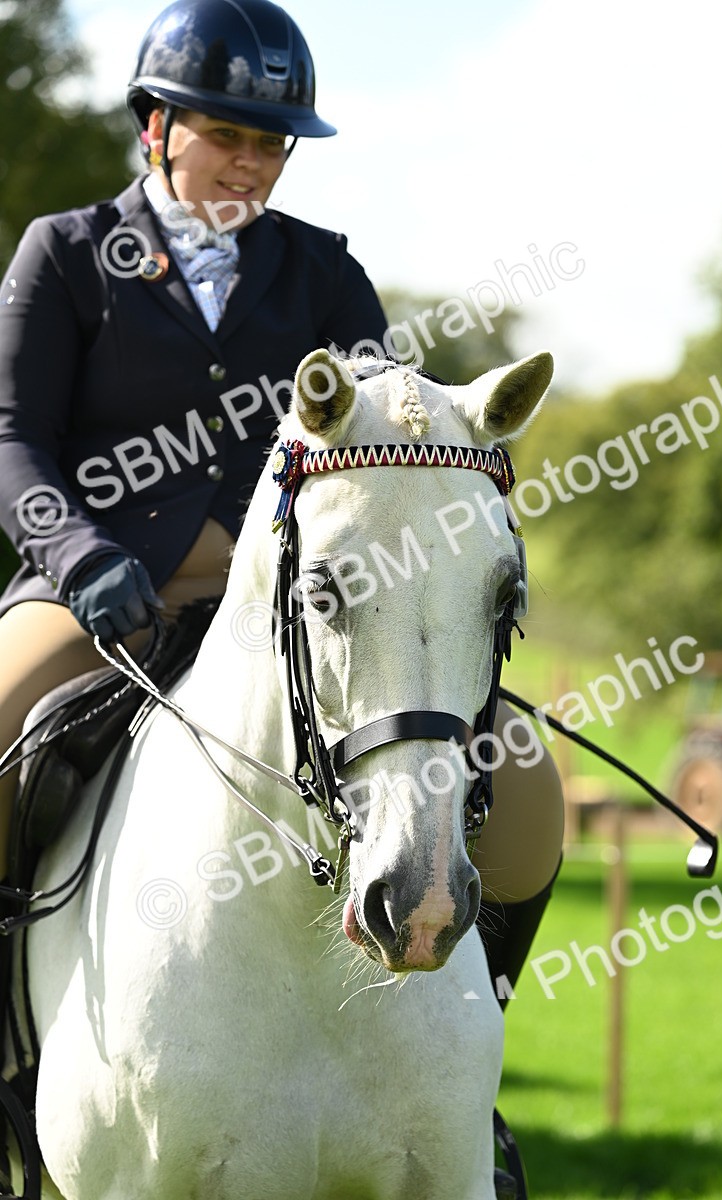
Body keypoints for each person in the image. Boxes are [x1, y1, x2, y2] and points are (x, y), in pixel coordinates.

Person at [0, 0, 562, 1002]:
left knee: (520, 789)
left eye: (271, 144)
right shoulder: (66, 253)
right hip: (101, 595)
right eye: (226, 135)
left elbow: (384, 456)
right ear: (155, 127)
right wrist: (82, 558)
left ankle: (476, 1038)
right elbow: (14, 441)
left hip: (298, 612)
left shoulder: (325, 272)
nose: (250, 163)